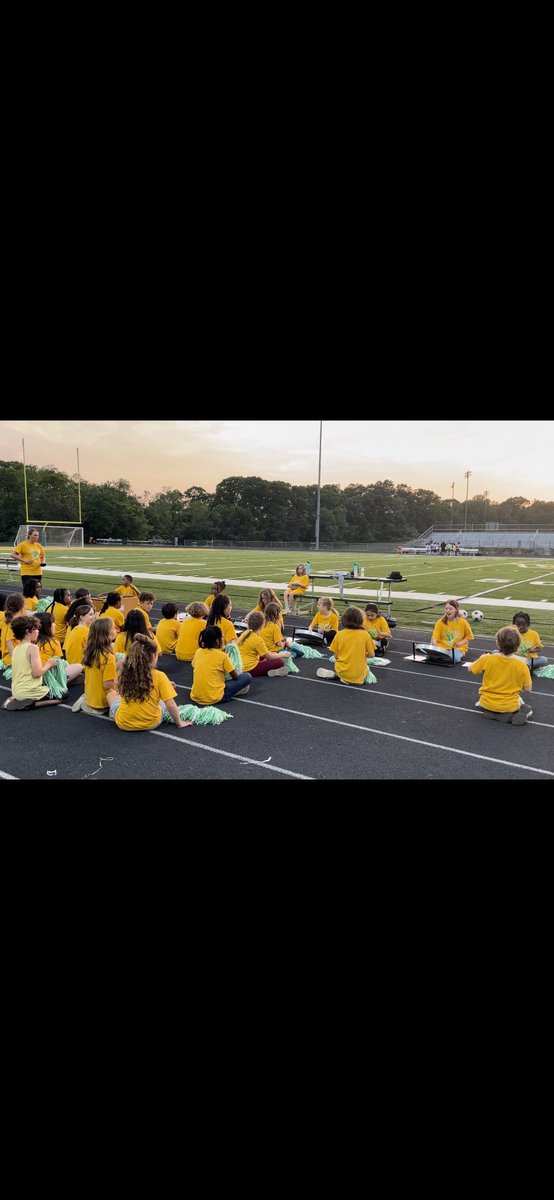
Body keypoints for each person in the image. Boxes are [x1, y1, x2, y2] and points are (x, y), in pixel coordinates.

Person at [106, 635, 192, 731]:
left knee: (110, 694)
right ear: (153, 657)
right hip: (151, 723)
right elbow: (171, 704)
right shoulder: (159, 676)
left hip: (123, 723)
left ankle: (119, 712)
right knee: (161, 701)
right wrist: (179, 723)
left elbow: (117, 687)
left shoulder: (124, 672)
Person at [463, 625, 533, 724]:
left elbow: (470, 669)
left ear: (498, 643)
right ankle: (512, 715)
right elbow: (528, 689)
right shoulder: (522, 665)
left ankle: (492, 713)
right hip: (508, 705)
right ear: (518, 646)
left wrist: (481, 658)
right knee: (522, 704)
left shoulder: (487, 658)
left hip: (486, 702)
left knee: (486, 703)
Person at [2, 614, 64, 710]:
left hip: (16, 691)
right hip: (30, 691)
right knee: (63, 695)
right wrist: (49, 664)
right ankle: (31, 704)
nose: (38, 631)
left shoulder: (16, 649)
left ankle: (14, 699)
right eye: (36, 629)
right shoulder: (32, 648)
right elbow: (37, 673)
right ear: (28, 631)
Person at [190, 625, 252, 704]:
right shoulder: (222, 656)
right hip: (215, 697)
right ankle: (234, 692)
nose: (223, 639)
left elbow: (196, 666)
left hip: (196, 696)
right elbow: (235, 676)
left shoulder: (198, 652)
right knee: (247, 676)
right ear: (217, 641)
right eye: (222, 637)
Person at [317, 606, 375, 684]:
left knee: (340, 665)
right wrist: (360, 654)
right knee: (366, 668)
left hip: (342, 671)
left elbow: (335, 656)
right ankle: (354, 678)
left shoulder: (339, 634)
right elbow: (371, 655)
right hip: (358, 675)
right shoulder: (365, 634)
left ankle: (340, 675)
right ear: (360, 620)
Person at [73, 617, 117, 715]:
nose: (116, 630)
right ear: (106, 634)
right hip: (103, 702)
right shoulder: (109, 657)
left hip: (91, 696)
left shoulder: (90, 651)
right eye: (113, 628)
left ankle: (87, 699)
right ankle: (103, 708)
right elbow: (107, 685)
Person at [237, 613, 289, 677]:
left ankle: (270, 670)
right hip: (249, 669)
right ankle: (268, 671)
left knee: (263, 656)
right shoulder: (257, 639)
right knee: (280, 662)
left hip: (240, 664)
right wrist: (283, 655)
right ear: (262, 624)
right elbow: (269, 656)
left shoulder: (245, 633)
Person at [1, 593, 26, 668]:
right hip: (12, 659)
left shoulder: (8, 619)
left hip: (10, 657)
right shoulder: (14, 622)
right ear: (21, 606)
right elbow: (9, 643)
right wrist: (17, 660)